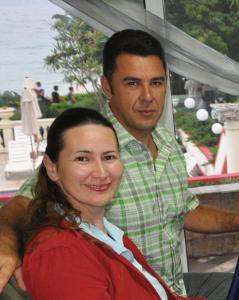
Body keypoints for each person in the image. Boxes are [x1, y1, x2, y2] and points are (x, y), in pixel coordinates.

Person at [0, 29, 238, 299]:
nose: (148, 96)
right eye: (133, 83)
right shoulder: (86, 142)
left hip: (169, 287)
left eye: (157, 83)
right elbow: (20, 208)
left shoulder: (167, 144)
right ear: (107, 86)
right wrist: (6, 244)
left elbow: (182, 210)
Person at [21, 107, 204, 300]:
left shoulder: (107, 234)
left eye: (109, 157)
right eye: (83, 158)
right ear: (52, 168)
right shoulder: (59, 253)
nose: (101, 173)